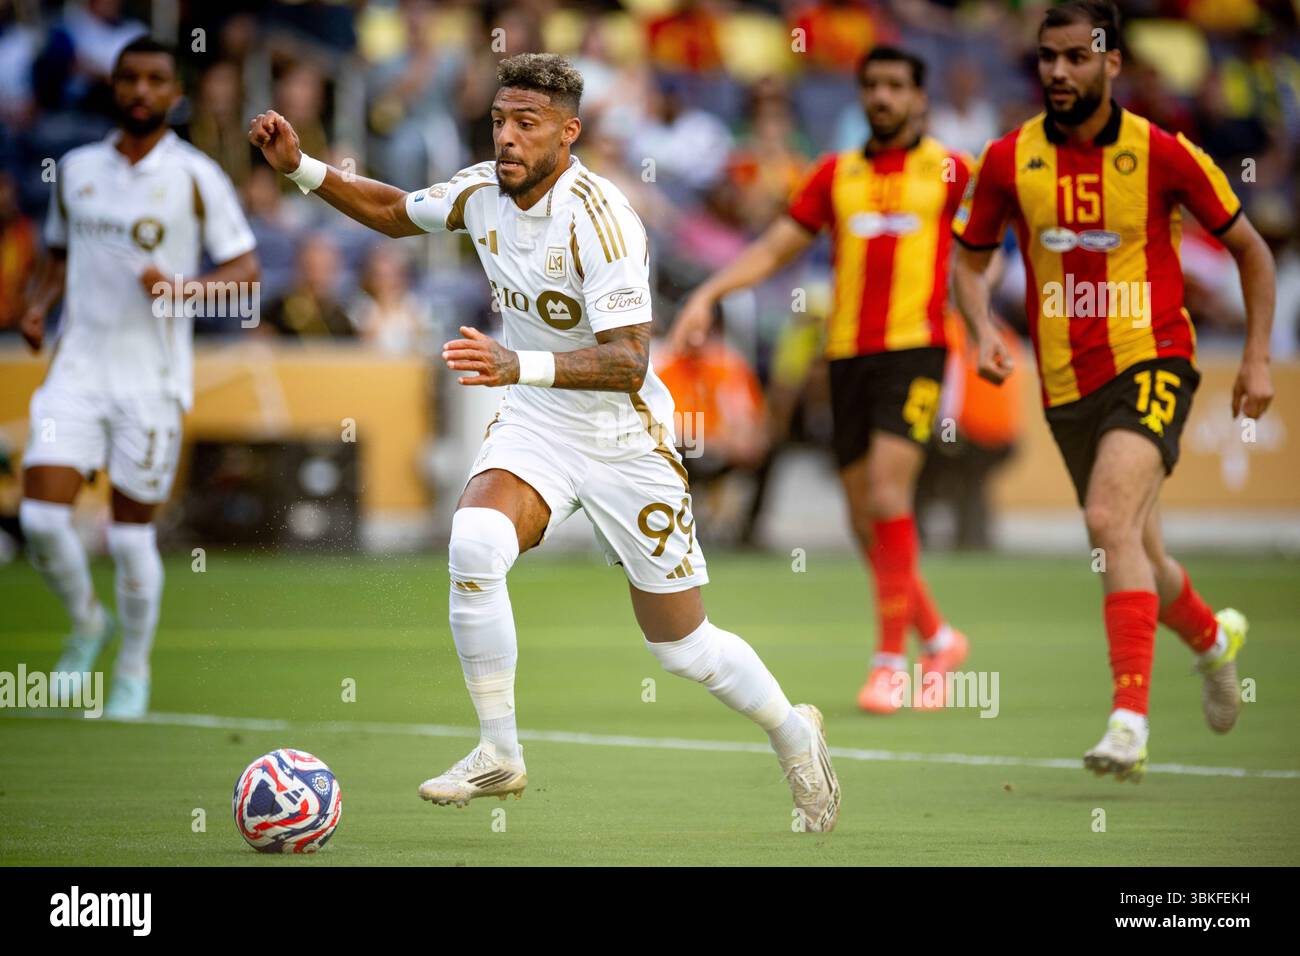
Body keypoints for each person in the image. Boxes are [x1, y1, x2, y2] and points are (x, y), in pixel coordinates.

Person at [248, 53, 840, 832]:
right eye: (499, 120)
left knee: (683, 648)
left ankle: (796, 737)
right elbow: (395, 211)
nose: (507, 137)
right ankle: (499, 749)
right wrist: (303, 170)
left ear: (570, 133)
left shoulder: (603, 218)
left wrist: (512, 360)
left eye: (527, 124)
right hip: (538, 419)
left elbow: (630, 361)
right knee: (475, 542)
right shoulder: (479, 192)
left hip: (624, 437)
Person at [952, 0, 1275, 781]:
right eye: (1047, 58)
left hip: (1154, 358)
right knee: (1138, 549)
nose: (1058, 72)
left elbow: (1253, 252)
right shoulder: (1008, 159)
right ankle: (1211, 638)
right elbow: (969, 259)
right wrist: (981, 328)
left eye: (1075, 57)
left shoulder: (1165, 155)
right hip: (1067, 384)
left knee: (1105, 519)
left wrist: (1258, 359)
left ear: (1111, 63)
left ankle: (1128, 721)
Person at [671, 46, 972, 715]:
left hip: (915, 350)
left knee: (890, 497)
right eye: (872, 85)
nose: (883, 96)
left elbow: (989, 245)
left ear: (920, 97)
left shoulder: (952, 170)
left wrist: (985, 317)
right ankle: (941, 638)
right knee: (865, 518)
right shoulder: (835, 174)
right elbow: (777, 246)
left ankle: (890, 661)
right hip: (845, 356)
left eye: (897, 85)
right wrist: (709, 293)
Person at [19, 37, 259, 719]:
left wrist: (183, 292)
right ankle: (87, 622)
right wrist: (38, 306)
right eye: (130, 79)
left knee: (128, 537)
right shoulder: (76, 169)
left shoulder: (195, 176)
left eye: (156, 80)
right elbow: (59, 253)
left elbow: (247, 277)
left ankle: (131, 667)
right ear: (115, 86)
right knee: (39, 519)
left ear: (175, 94)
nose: (141, 92)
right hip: (77, 368)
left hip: (151, 380)